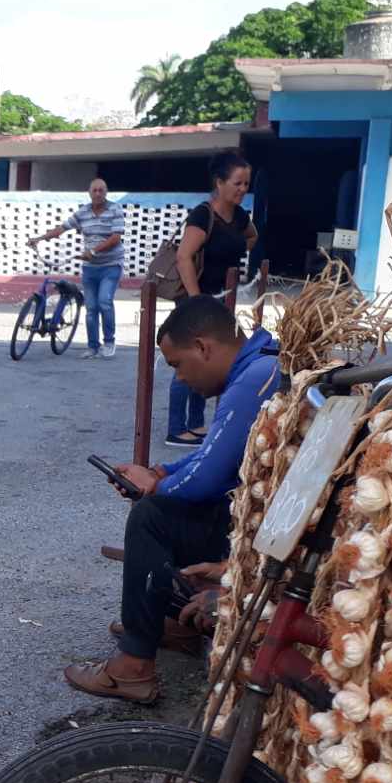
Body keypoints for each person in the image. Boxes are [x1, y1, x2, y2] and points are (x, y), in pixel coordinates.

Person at [65, 295, 280, 704]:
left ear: (203, 347)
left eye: (177, 364)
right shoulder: (259, 365)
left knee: (152, 515)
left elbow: (210, 478)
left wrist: (154, 487)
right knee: (164, 501)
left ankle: (132, 668)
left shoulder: (254, 378)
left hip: (264, 536)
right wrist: (163, 473)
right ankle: (172, 622)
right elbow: (215, 454)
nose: (178, 379)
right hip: (264, 522)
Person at [165, 151, 257, 447]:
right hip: (195, 301)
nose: (243, 189)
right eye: (237, 183)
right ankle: (176, 428)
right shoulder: (203, 215)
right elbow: (183, 257)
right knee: (187, 360)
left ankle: (196, 424)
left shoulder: (240, 217)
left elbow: (252, 237)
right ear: (219, 182)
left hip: (221, 300)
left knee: (209, 361)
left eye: (246, 184)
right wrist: (195, 302)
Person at [29, 177, 126, 357]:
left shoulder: (115, 209)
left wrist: (94, 251)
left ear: (106, 193)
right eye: (94, 190)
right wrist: (40, 238)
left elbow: (115, 238)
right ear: (89, 193)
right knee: (91, 308)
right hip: (90, 268)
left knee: (104, 302)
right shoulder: (83, 212)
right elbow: (63, 227)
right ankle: (92, 347)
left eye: (101, 190)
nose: (98, 194)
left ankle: (109, 342)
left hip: (111, 265)